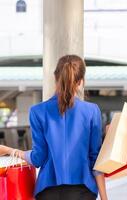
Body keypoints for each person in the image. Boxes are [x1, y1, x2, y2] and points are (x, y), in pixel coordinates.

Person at [0, 55, 108, 200]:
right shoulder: (92, 111)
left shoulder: (37, 111)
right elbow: (95, 160)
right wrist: (104, 197)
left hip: (48, 192)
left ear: (55, 77)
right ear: (81, 82)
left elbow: (38, 158)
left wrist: (9, 151)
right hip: (83, 192)